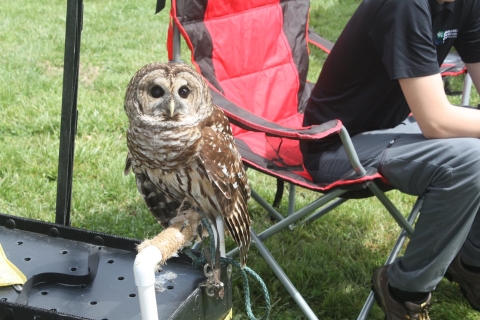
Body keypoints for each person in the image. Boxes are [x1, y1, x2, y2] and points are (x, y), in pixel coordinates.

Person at [301, 0, 480, 318]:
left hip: (395, 128)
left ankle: (471, 262)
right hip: (337, 145)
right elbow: (436, 121)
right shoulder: (404, 5)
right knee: (471, 158)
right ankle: (404, 290)